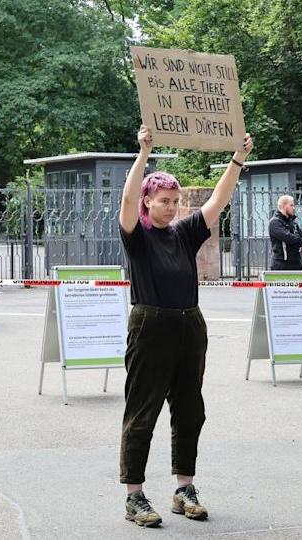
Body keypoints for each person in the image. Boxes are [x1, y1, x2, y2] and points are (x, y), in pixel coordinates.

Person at [118, 125, 253, 528]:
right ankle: (135, 496)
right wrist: (143, 154)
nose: (172, 207)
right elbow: (126, 198)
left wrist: (237, 159)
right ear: (148, 202)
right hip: (150, 325)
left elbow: (217, 200)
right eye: (164, 201)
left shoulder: (183, 233)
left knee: (190, 410)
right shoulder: (136, 236)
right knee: (142, 412)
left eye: (175, 201)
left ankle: (184, 489)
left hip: (189, 326)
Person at [268, 195, 302, 270]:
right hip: (281, 264)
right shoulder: (275, 222)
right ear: (283, 206)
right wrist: (297, 239)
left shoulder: (293, 223)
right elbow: (289, 238)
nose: (294, 208)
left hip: (296, 264)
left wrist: (297, 239)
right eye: (291, 205)